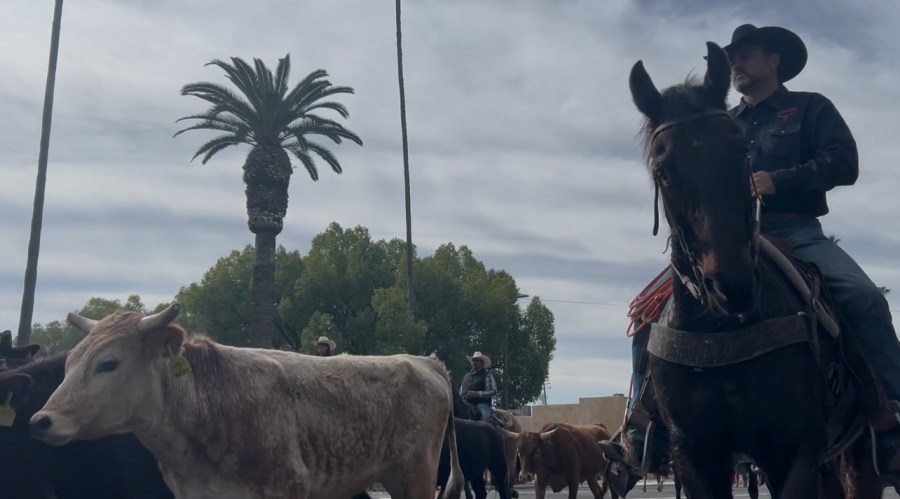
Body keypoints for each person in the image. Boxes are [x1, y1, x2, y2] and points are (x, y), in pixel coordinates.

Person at [609, 22, 900, 474]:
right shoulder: (719, 120)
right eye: (733, 59)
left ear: (774, 61)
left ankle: (892, 417)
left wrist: (779, 180)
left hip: (797, 232)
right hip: (729, 238)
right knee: (647, 313)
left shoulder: (810, 108)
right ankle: (644, 425)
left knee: (863, 299)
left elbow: (845, 162)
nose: (737, 65)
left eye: (746, 56)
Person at [459, 351, 497, 422]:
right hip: (466, 405)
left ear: (482, 363)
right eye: (473, 360)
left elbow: (493, 391)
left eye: (477, 360)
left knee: (484, 418)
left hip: (481, 405)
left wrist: (477, 394)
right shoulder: (466, 376)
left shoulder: (487, 375)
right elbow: (461, 392)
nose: (474, 362)